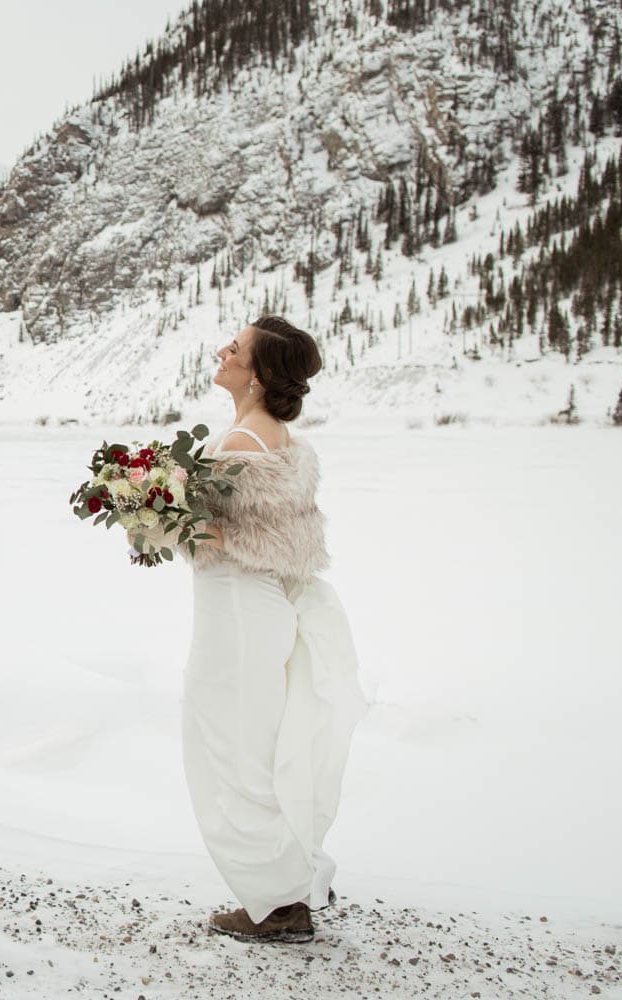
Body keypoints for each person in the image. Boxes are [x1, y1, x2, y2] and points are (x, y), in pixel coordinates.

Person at [183, 314, 368, 942]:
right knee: (255, 746)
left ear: (258, 375)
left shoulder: (239, 445)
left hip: (236, 605)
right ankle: (286, 882)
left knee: (230, 751)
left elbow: (215, 535)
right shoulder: (283, 439)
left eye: (234, 348)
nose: (222, 350)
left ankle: (279, 903)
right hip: (262, 606)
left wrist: (151, 511)